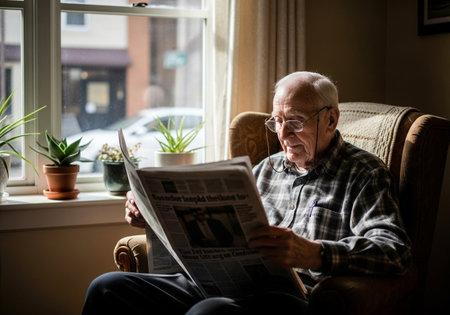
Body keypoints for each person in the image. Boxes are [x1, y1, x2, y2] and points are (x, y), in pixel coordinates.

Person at [82, 71, 411, 314]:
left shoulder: (363, 174)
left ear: (330, 120)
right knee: (108, 288)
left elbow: (395, 250)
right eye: (276, 121)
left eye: (295, 121)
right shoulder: (267, 169)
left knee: (210, 312)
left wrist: (314, 253)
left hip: (286, 298)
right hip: (217, 282)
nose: (282, 134)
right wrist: (153, 217)